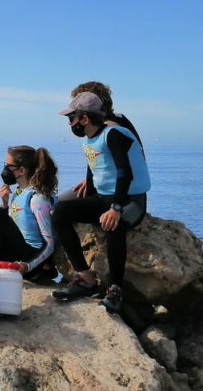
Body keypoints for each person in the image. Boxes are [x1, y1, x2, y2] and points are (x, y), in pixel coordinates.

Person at [51, 92, 150, 314]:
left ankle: (115, 290)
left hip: (130, 199)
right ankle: (85, 279)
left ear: (85, 118)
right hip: (104, 197)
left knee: (114, 225)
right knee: (60, 212)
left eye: (71, 118)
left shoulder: (114, 134)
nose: (70, 123)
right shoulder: (90, 138)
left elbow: (125, 173)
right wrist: (89, 184)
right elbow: (96, 164)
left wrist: (116, 208)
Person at [0, 145, 58, 282]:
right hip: (13, 250)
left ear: (21, 170)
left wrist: (28, 266)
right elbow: (14, 226)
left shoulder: (37, 199)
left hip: (28, 258)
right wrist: (5, 204)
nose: (5, 170)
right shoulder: (19, 192)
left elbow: (49, 244)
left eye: (8, 166)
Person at [59, 81, 144, 202]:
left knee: (59, 205)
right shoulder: (119, 121)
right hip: (116, 188)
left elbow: (123, 168)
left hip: (119, 193)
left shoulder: (111, 129)